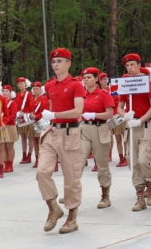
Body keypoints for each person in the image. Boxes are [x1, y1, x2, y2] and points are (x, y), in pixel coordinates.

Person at [37, 47, 85, 234]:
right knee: (42, 171)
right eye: (53, 62)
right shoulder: (49, 85)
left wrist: (54, 114)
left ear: (68, 63)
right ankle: (53, 208)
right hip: (51, 131)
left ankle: (72, 217)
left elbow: (78, 111)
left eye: (59, 61)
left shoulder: (76, 85)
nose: (56, 64)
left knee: (71, 177)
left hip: (69, 133)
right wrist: (47, 118)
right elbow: (50, 108)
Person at [117, 53, 151, 212]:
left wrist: (141, 120)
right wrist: (125, 115)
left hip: (146, 124)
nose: (129, 68)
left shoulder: (148, 83)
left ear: (139, 65)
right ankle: (140, 196)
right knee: (133, 161)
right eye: (127, 66)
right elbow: (119, 107)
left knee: (144, 159)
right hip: (131, 126)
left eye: (132, 65)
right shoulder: (125, 84)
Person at [77, 67, 115, 208]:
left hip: (100, 128)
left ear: (96, 79)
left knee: (102, 164)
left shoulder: (103, 94)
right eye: (84, 77)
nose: (86, 80)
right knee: (78, 162)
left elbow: (109, 114)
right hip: (85, 129)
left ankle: (105, 196)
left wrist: (94, 115)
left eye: (89, 77)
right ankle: (73, 194)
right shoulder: (82, 95)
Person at [29, 81, 50, 168]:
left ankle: (43, 159)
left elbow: (45, 111)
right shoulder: (31, 99)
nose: (35, 91)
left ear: (40, 89)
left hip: (41, 122)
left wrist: (36, 116)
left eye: (37, 89)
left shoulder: (43, 99)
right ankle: (37, 158)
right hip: (33, 123)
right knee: (35, 142)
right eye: (33, 89)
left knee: (42, 142)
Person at [15, 77, 35, 164]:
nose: (20, 85)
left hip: (27, 118)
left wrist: (26, 112)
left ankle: (29, 155)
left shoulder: (29, 94)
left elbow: (31, 105)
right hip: (20, 118)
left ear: (25, 84)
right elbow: (15, 105)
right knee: (23, 137)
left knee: (30, 137)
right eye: (19, 84)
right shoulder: (17, 95)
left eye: (22, 83)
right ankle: (24, 155)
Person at [2, 84, 19, 172]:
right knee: (3, 146)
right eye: (3, 91)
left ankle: (10, 164)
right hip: (2, 126)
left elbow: (13, 115)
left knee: (9, 146)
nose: (5, 93)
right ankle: (5, 163)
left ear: (10, 93)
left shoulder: (12, 103)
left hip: (9, 126)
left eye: (7, 91)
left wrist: (5, 122)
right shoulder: (0, 102)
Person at [98, 73, 114, 163]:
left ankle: (109, 153)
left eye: (106, 79)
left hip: (110, 116)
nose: (105, 81)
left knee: (109, 136)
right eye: (103, 79)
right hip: (100, 116)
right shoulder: (97, 90)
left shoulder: (111, 90)